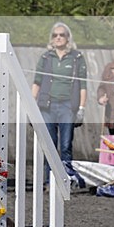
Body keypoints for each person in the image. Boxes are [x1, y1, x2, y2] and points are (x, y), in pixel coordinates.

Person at [31, 22, 87, 177]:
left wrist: (82, 108)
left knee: (66, 145)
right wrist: (31, 105)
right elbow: (37, 82)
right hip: (47, 106)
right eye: (55, 35)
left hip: (68, 106)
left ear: (68, 38)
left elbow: (83, 85)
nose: (58, 37)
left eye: (62, 35)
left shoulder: (76, 58)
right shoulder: (46, 57)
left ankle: (66, 179)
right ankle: (49, 179)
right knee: (49, 144)